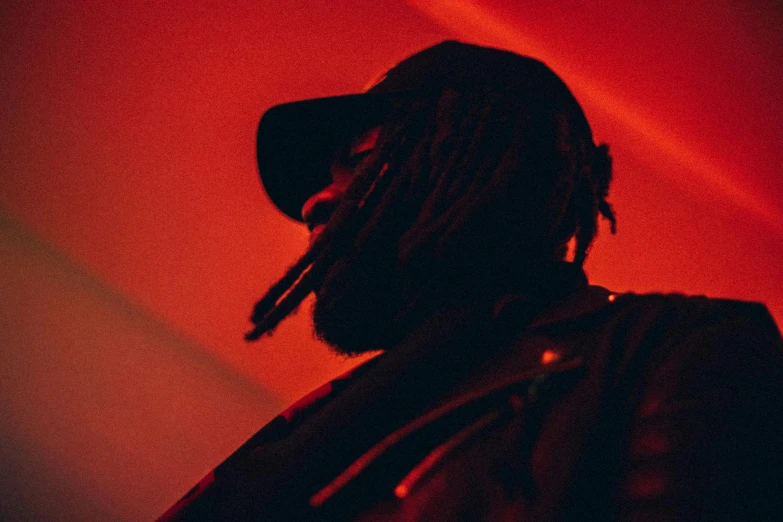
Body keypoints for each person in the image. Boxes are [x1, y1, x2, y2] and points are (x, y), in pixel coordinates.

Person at [160, 41, 783, 521]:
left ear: (484, 159)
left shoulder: (672, 350)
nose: (315, 203)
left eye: (359, 161)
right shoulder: (358, 407)